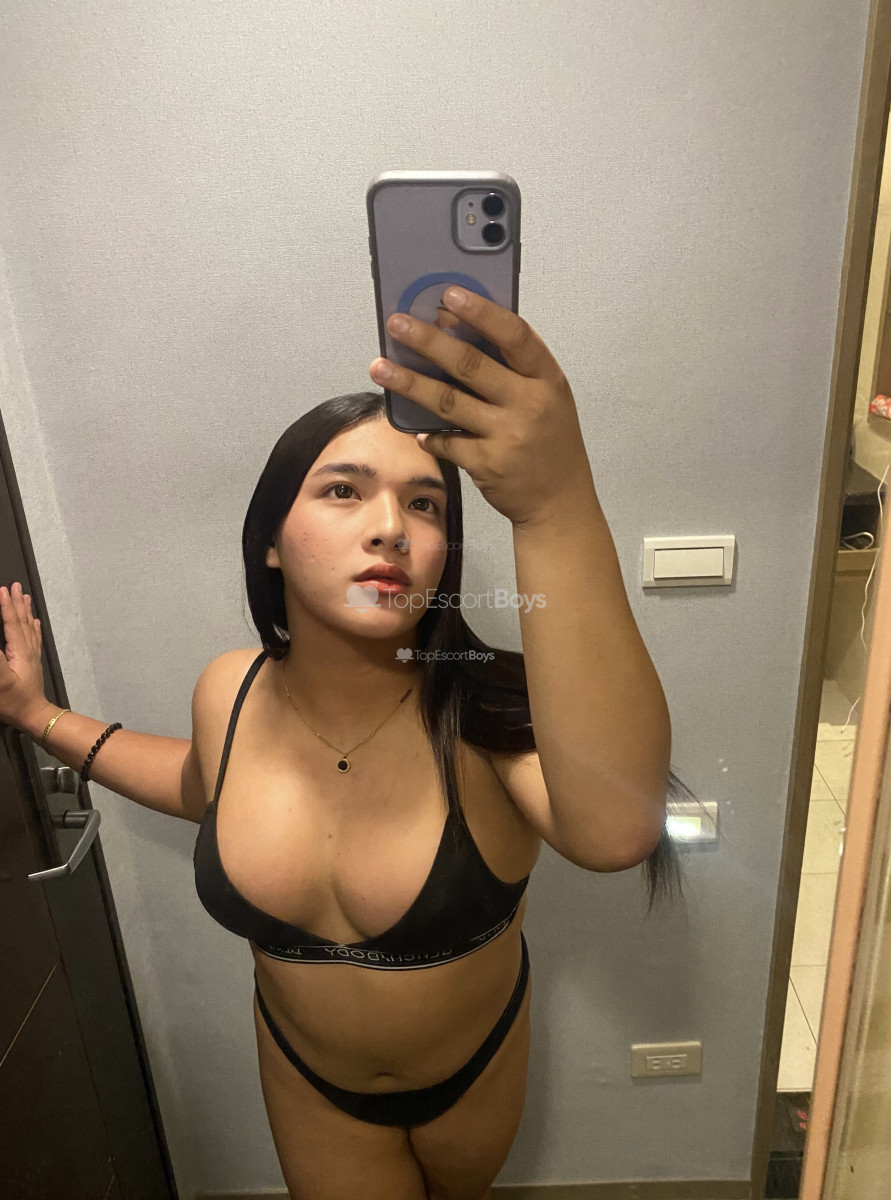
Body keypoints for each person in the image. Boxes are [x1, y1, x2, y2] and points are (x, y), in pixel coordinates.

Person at [1, 287, 700, 1200]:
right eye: (343, 490)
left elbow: (614, 833)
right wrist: (35, 714)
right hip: (307, 1081)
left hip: (473, 1074)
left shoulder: (484, 713)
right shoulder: (228, 689)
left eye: (426, 504)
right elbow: (199, 784)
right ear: (270, 543)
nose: (390, 528)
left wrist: (553, 502)